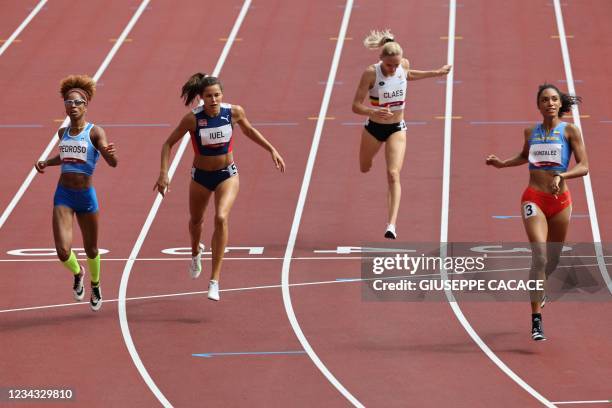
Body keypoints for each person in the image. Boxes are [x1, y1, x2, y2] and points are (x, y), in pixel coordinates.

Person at [155, 73, 285, 301]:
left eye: (217, 95)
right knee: (196, 221)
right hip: (200, 177)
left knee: (221, 218)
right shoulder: (193, 119)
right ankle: (196, 252)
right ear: (201, 98)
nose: (213, 100)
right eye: (208, 96)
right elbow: (168, 144)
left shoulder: (233, 112)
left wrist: (271, 149)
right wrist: (164, 173)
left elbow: (249, 130)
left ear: (222, 95)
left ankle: (214, 280)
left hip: (227, 174)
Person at [486, 83, 588, 341]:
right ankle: (536, 320)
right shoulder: (530, 131)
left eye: (554, 99)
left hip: (561, 201)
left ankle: (540, 289)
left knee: (551, 261)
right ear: (539, 105)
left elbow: (584, 166)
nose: (550, 103)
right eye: (545, 100)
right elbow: (524, 156)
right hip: (534, 198)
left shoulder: (570, 131)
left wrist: (562, 175)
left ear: (559, 104)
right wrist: (503, 164)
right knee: (540, 258)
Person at [352, 29, 451, 239]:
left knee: (393, 173)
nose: (393, 68)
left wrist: (437, 72)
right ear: (381, 59)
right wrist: (373, 110)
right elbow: (355, 106)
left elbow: (410, 74)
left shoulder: (402, 66)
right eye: (389, 65)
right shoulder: (371, 73)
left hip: (397, 128)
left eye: (396, 65)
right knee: (364, 167)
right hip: (374, 128)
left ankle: (391, 225)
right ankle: (369, 160)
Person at [35, 74, 118, 311]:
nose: (72, 106)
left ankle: (95, 283)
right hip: (64, 194)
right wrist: (46, 163)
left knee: (92, 248)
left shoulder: (95, 132)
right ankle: (78, 271)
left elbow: (113, 162)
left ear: (86, 105)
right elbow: (65, 156)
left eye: (77, 102)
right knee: (62, 251)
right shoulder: (62, 134)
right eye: (68, 103)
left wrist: (111, 154)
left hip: (85, 196)